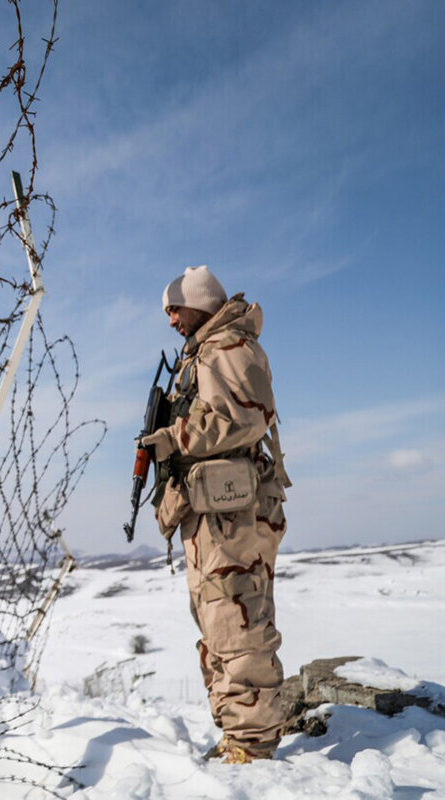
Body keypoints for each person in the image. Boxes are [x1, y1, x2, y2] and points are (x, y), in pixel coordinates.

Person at [139, 265, 292, 764]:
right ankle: (237, 735)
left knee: (237, 623)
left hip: (233, 518)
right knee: (220, 623)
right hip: (216, 516)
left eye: (174, 308)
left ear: (200, 304)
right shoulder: (209, 352)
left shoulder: (226, 348)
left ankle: (252, 745)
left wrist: (173, 438)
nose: (170, 320)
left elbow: (243, 419)